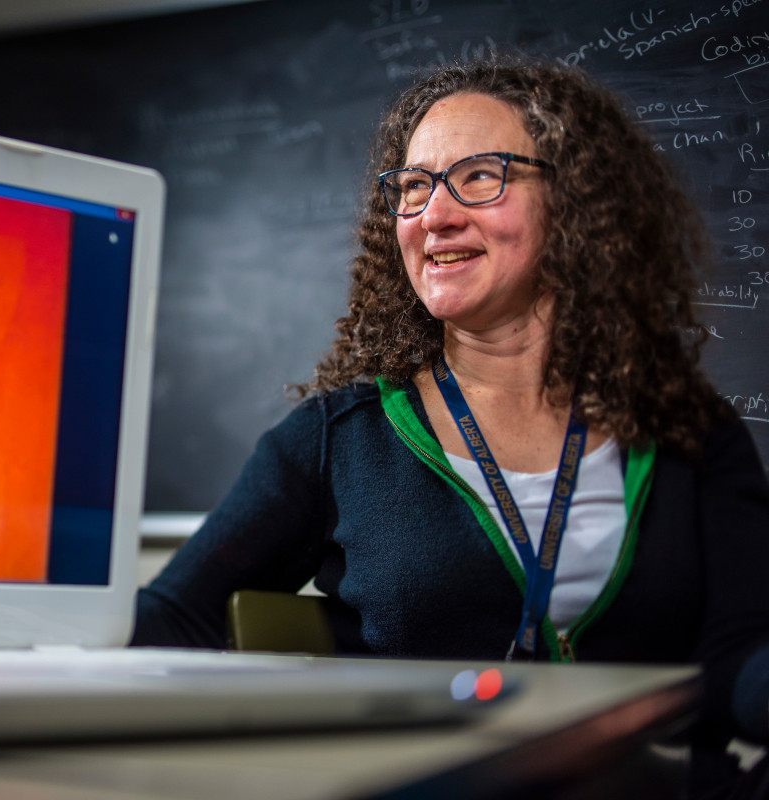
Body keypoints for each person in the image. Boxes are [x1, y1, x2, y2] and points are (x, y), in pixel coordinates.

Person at [131, 58, 769, 783]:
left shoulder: (688, 431)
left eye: (480, 176)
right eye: (412, 187)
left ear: (575, 204)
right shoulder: (341, 438)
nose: (434, 214)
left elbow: (740, 654)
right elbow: (174, 619)